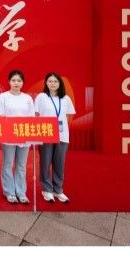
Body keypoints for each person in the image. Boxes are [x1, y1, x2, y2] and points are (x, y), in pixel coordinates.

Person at [0, 69, 36, 204]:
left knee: (21, 165)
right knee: (7, 164)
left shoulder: (27, 98)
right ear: (9, 82)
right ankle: (9, 192)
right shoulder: (3, 97)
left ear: (23, 83)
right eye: (13, 80)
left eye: (19, 80)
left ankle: (21, 192)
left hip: (24, 135)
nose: (16, 83)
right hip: (8, 136)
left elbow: (31, 117)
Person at [37, 72, 76, 203]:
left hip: (62, 135)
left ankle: (58, 189)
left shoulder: (66, 98)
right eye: (50, 81)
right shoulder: (41, 97)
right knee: (45, 163)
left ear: (60, 83)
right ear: (46, 83)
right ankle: (46, 189)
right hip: (46, 134)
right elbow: (37, 114)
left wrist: (62, 128)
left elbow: (69, 116)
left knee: (59, 163)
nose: (53, 84)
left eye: (55, 81)